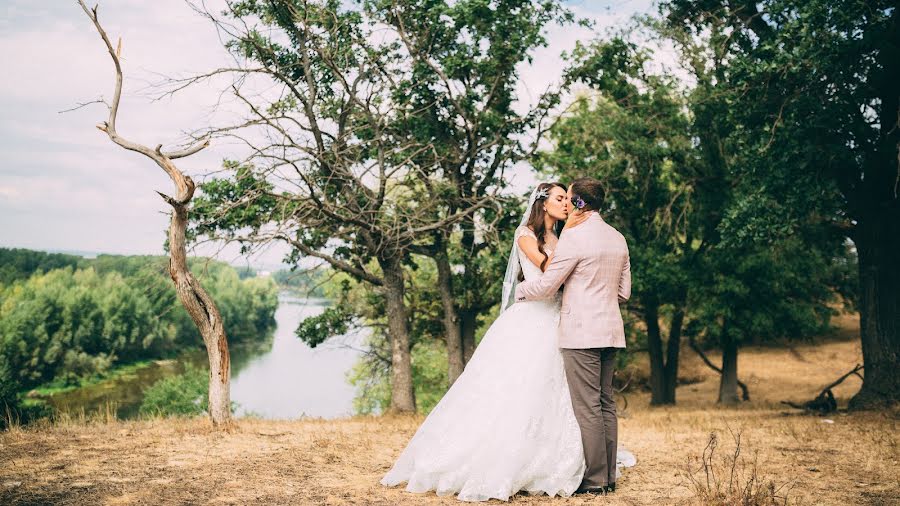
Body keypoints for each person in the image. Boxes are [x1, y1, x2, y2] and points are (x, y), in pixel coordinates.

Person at [380, 181, 634, 502]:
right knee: (601, 402)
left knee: (585, 406)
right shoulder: (617, 238)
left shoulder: (571, 239)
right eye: (559, 199)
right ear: (544, 203)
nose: (566, 204)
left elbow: (547, 284)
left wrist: (522, 291)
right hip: (603, 329)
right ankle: (604, 474)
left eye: (568, 198)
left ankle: (596, 478)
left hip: (574, 326)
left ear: (580, 202)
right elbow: (622, 292)